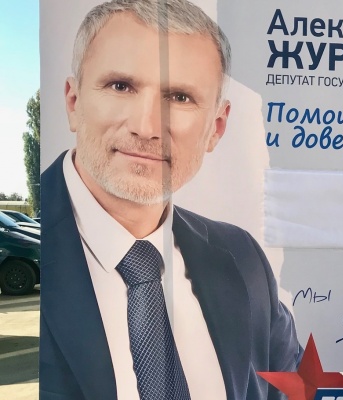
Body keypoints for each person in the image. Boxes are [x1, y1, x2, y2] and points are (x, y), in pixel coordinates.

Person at [39, 1, 302, 399]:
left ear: (216, 127)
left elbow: (293, 389)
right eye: (121, 86)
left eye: (179, 97)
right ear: (73, 102)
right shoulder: (28, 253)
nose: (147, 127)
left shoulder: (243, 257)